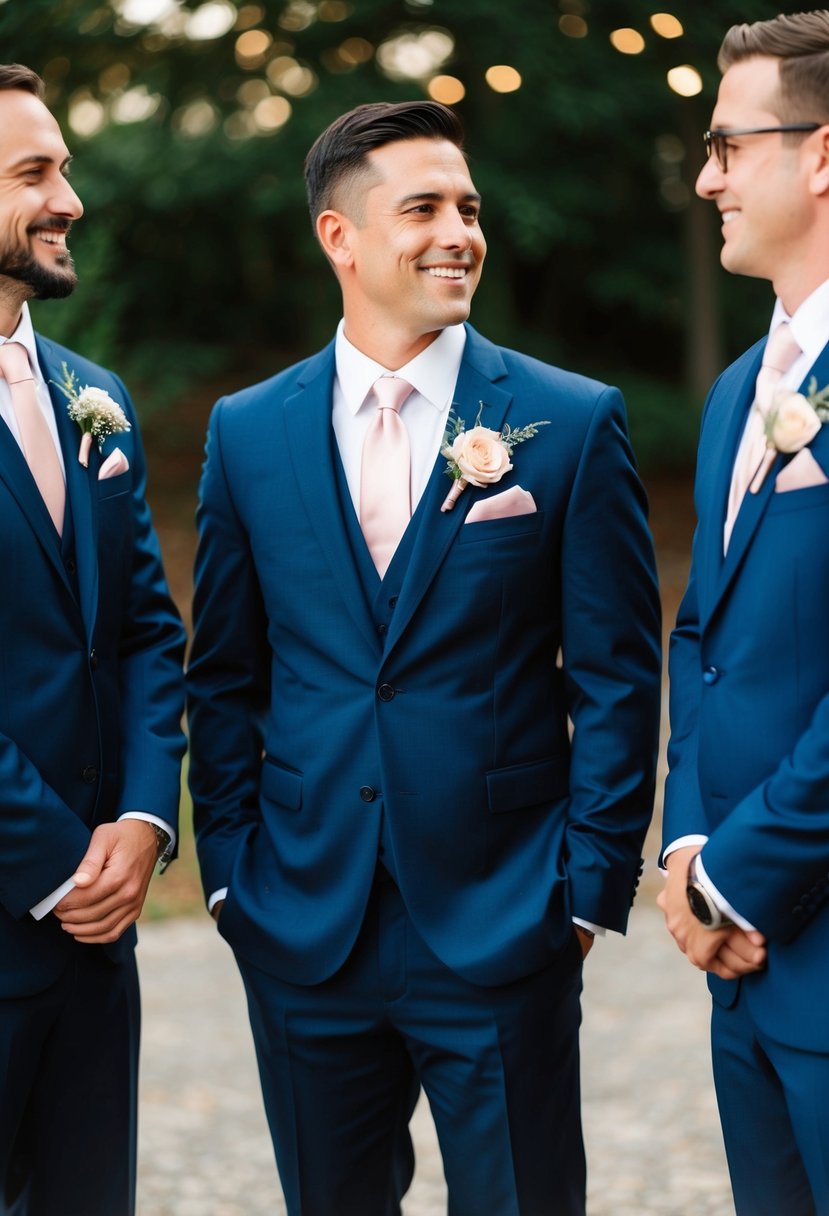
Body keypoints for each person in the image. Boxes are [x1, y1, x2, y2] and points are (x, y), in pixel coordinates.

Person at [187, 99, 661, 1216]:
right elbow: (223, 673)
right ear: (339, 237)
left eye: (469, 207)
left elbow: (617, 672)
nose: (459, 231)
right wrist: (230, 876)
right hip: (303, 918)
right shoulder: (247, 431)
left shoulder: (569, 419)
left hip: (505, 916)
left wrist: (584, 892)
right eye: (424, 208)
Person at [0, 64, 186, 1216]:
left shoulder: (90, 395)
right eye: (34, 173)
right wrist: (54, 861)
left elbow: (146, 632)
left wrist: (140, 815)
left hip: (94, 939)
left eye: (62, 166)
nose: (71, 197)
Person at [658, 11, 829, 1215]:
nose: (708, 176)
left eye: (729, 144)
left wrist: (743, 876)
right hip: (741, 969)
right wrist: (684, 852)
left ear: (821, 155)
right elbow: (699, 637)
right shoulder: (736, 391)